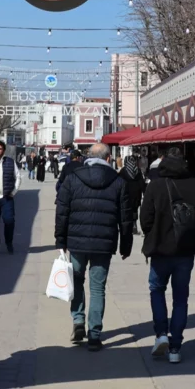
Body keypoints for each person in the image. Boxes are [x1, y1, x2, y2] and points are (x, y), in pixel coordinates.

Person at [55, 142, 133, 352]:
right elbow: (126, 217)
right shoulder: (118, 181)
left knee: (77, 280)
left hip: (77, 242)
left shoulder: (73, 178)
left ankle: (78, 319)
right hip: (104, 243)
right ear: (108, 158)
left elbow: (62, 210)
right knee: (98, 288)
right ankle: (94, 334)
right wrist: (126, 245)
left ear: (88, 157)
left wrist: (60, 240)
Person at [140, 147, 195, 364]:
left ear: (163, 162)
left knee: (157, 289)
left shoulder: (155, 185)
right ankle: (175, 347)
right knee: (181, 297)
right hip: (185, 251)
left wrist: (153, 234)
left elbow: (145, 219)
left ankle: (161, 333)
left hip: (160, 249)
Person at [119, 155, 146, 235]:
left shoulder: (123, 171)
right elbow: (142, 183)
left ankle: (127, 226)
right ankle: (134, 225)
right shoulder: (138, 170)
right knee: (134, 210)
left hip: (126, 193)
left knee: (126, 210)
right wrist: (144, 192)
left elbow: (119, 182)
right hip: (136, 194)